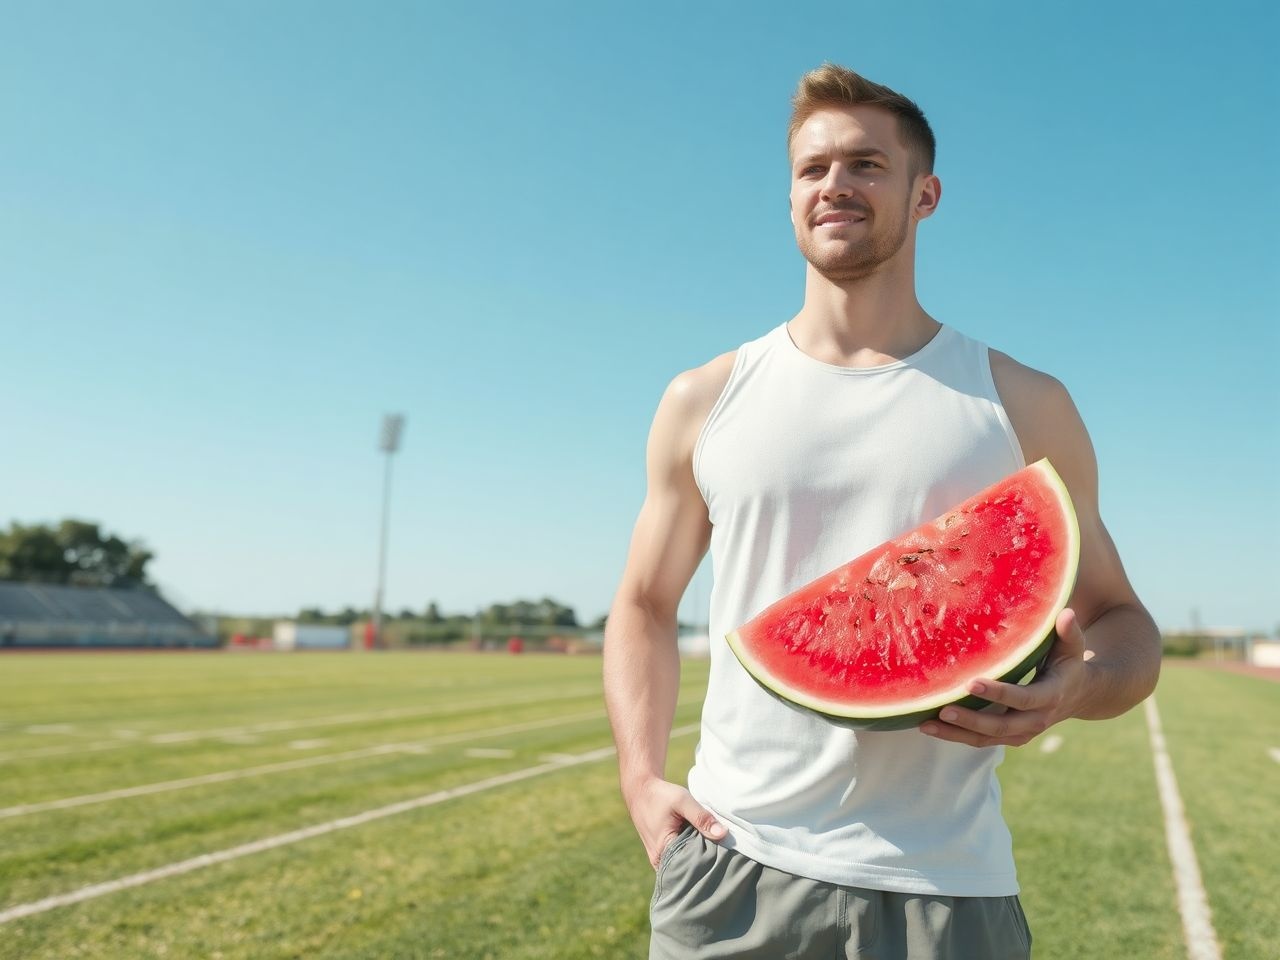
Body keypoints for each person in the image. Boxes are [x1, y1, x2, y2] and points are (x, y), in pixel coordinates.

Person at [601, 62, 1162, 960]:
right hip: (733, 864)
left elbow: (1125, 624)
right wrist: (638, 778)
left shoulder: (1021, 401)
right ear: (788, 197)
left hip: (947, 888)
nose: (835, 184)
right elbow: (641, 603)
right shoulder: (704, 397)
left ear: (925, 194)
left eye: (866, 163)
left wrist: (1077, 689)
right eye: (812, 168)